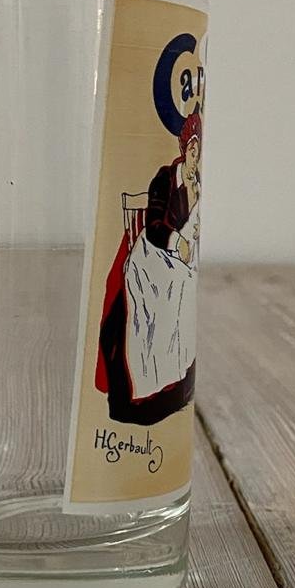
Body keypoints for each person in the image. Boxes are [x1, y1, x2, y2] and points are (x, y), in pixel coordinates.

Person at [95, 112, 201, 425]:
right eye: (192, 150)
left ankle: (173, 376)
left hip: (178, 261)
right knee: (169, 290)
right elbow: (154, 227)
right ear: (185, 149)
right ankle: (150, 382)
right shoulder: (165, 179)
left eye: (198, 151)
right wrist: (177, 242)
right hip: (150, 256)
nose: (195, 157)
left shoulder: (197, 184)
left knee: (185, 285)